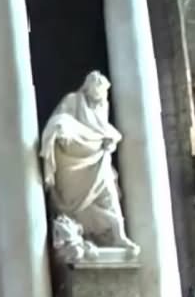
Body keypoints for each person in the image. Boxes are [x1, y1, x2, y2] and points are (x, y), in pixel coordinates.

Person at [39, 71, 140, 253]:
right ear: (89, 87)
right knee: (78, 206)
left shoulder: (101, 105)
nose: (100, 99)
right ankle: (80, 237)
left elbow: (104, 131)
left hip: (98, 159)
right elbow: (59, 122)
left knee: (109, 194)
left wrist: (109, 142)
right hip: (73, 162)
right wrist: (63, 132)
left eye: (103, 94)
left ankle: (119, 236)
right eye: (98, 92)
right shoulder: (73, 101)